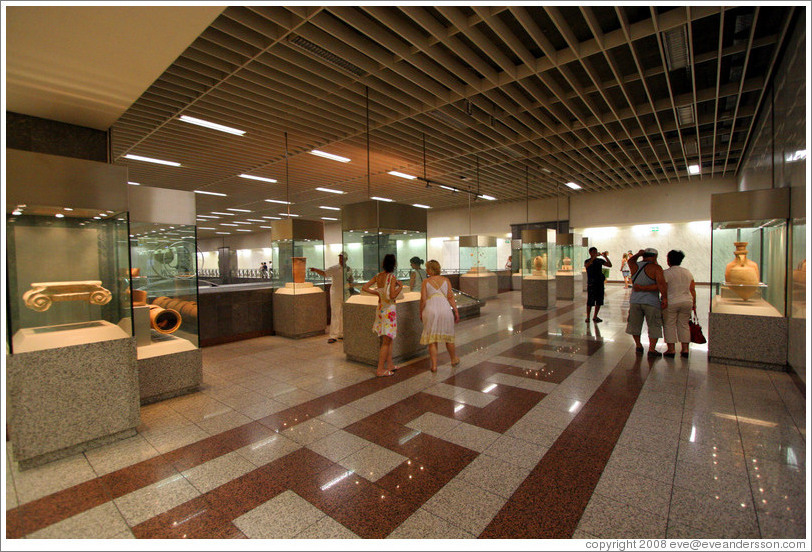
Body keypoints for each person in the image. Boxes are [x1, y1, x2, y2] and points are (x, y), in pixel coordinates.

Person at [362, 254, 403, 377]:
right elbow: (392, 295)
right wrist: (400, 287)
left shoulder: (378, 276)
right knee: (386, 341)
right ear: (394, 264)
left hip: (380, 309)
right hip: (389, 310)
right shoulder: (392, 277)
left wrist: (377, 293)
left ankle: (390, 364)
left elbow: (364, 287)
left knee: (389, 339)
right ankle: (380, 369)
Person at [419, 260, 461, 372]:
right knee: (448, 337)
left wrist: (420, 311)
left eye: (427, 268)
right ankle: (453, 359)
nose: (426, 270)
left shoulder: (426, 282)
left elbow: (423, 299)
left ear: (431, 269)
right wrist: (456, 311)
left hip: (430, 309)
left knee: (432, 339)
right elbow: (450, 297)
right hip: (445, 308)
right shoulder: (446, 280)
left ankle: (434, 366)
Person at [625, 248, 668, 356]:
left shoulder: (635, 266)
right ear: (655, 257)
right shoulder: (656, 268)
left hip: (635, 301)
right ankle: (652, 349)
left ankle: (638, 345)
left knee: (634, 324)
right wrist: (665, 297)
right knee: (654, 325)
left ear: (643, 256)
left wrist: (638, 254)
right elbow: (661, 284)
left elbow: (630, 261)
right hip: (651, 302)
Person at [310, 251, 352, 344]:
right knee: (335, 313)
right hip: (335, 293)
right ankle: (333, 335)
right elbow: (325, 273)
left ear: (346, 259)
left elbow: (351, 280)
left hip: (345, 294)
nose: (341, 259)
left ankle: (341, 333)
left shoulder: (349, 269)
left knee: (343, 314)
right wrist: (316, 270)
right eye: (340, 257)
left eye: (343, 257)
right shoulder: (334, 268)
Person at [662, 250, 696, 358]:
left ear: (668, 260)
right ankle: (685, 349)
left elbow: (664, 289)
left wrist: (664, 299)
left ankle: (671, 349)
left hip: (672, 301)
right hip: (687, 301)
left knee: (669, 324)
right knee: (684, 324)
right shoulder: (687, 272)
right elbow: (692, 289)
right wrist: (694, 303)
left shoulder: (666, 273)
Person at [584, 247, 612, 322]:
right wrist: (593, 258)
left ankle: (595, 316)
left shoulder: (600, 260)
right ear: (590, 253)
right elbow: (587, 266)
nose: (595, 253)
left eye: (596, 252)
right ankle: (588, 317)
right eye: (593, 252)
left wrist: (605, 257)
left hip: (599, 283)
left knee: (599, 300)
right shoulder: (587, 261)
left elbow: (609, 265)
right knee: (590, 301)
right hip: (591, 283)